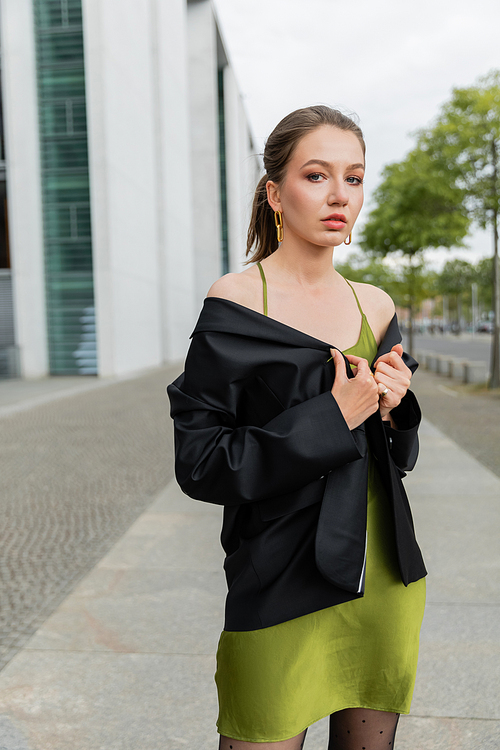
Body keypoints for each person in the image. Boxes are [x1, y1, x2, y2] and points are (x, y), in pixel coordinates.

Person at [168, 105, 427, 750]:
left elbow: (396, 458)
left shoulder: (375, 305)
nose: (340, 195)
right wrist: (333, 417)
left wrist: (395, 410)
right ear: (275, 192)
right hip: (277, 571)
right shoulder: (235, 302)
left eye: (355, 178)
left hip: (380, 571)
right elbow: (201, 464)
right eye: (317, 176)